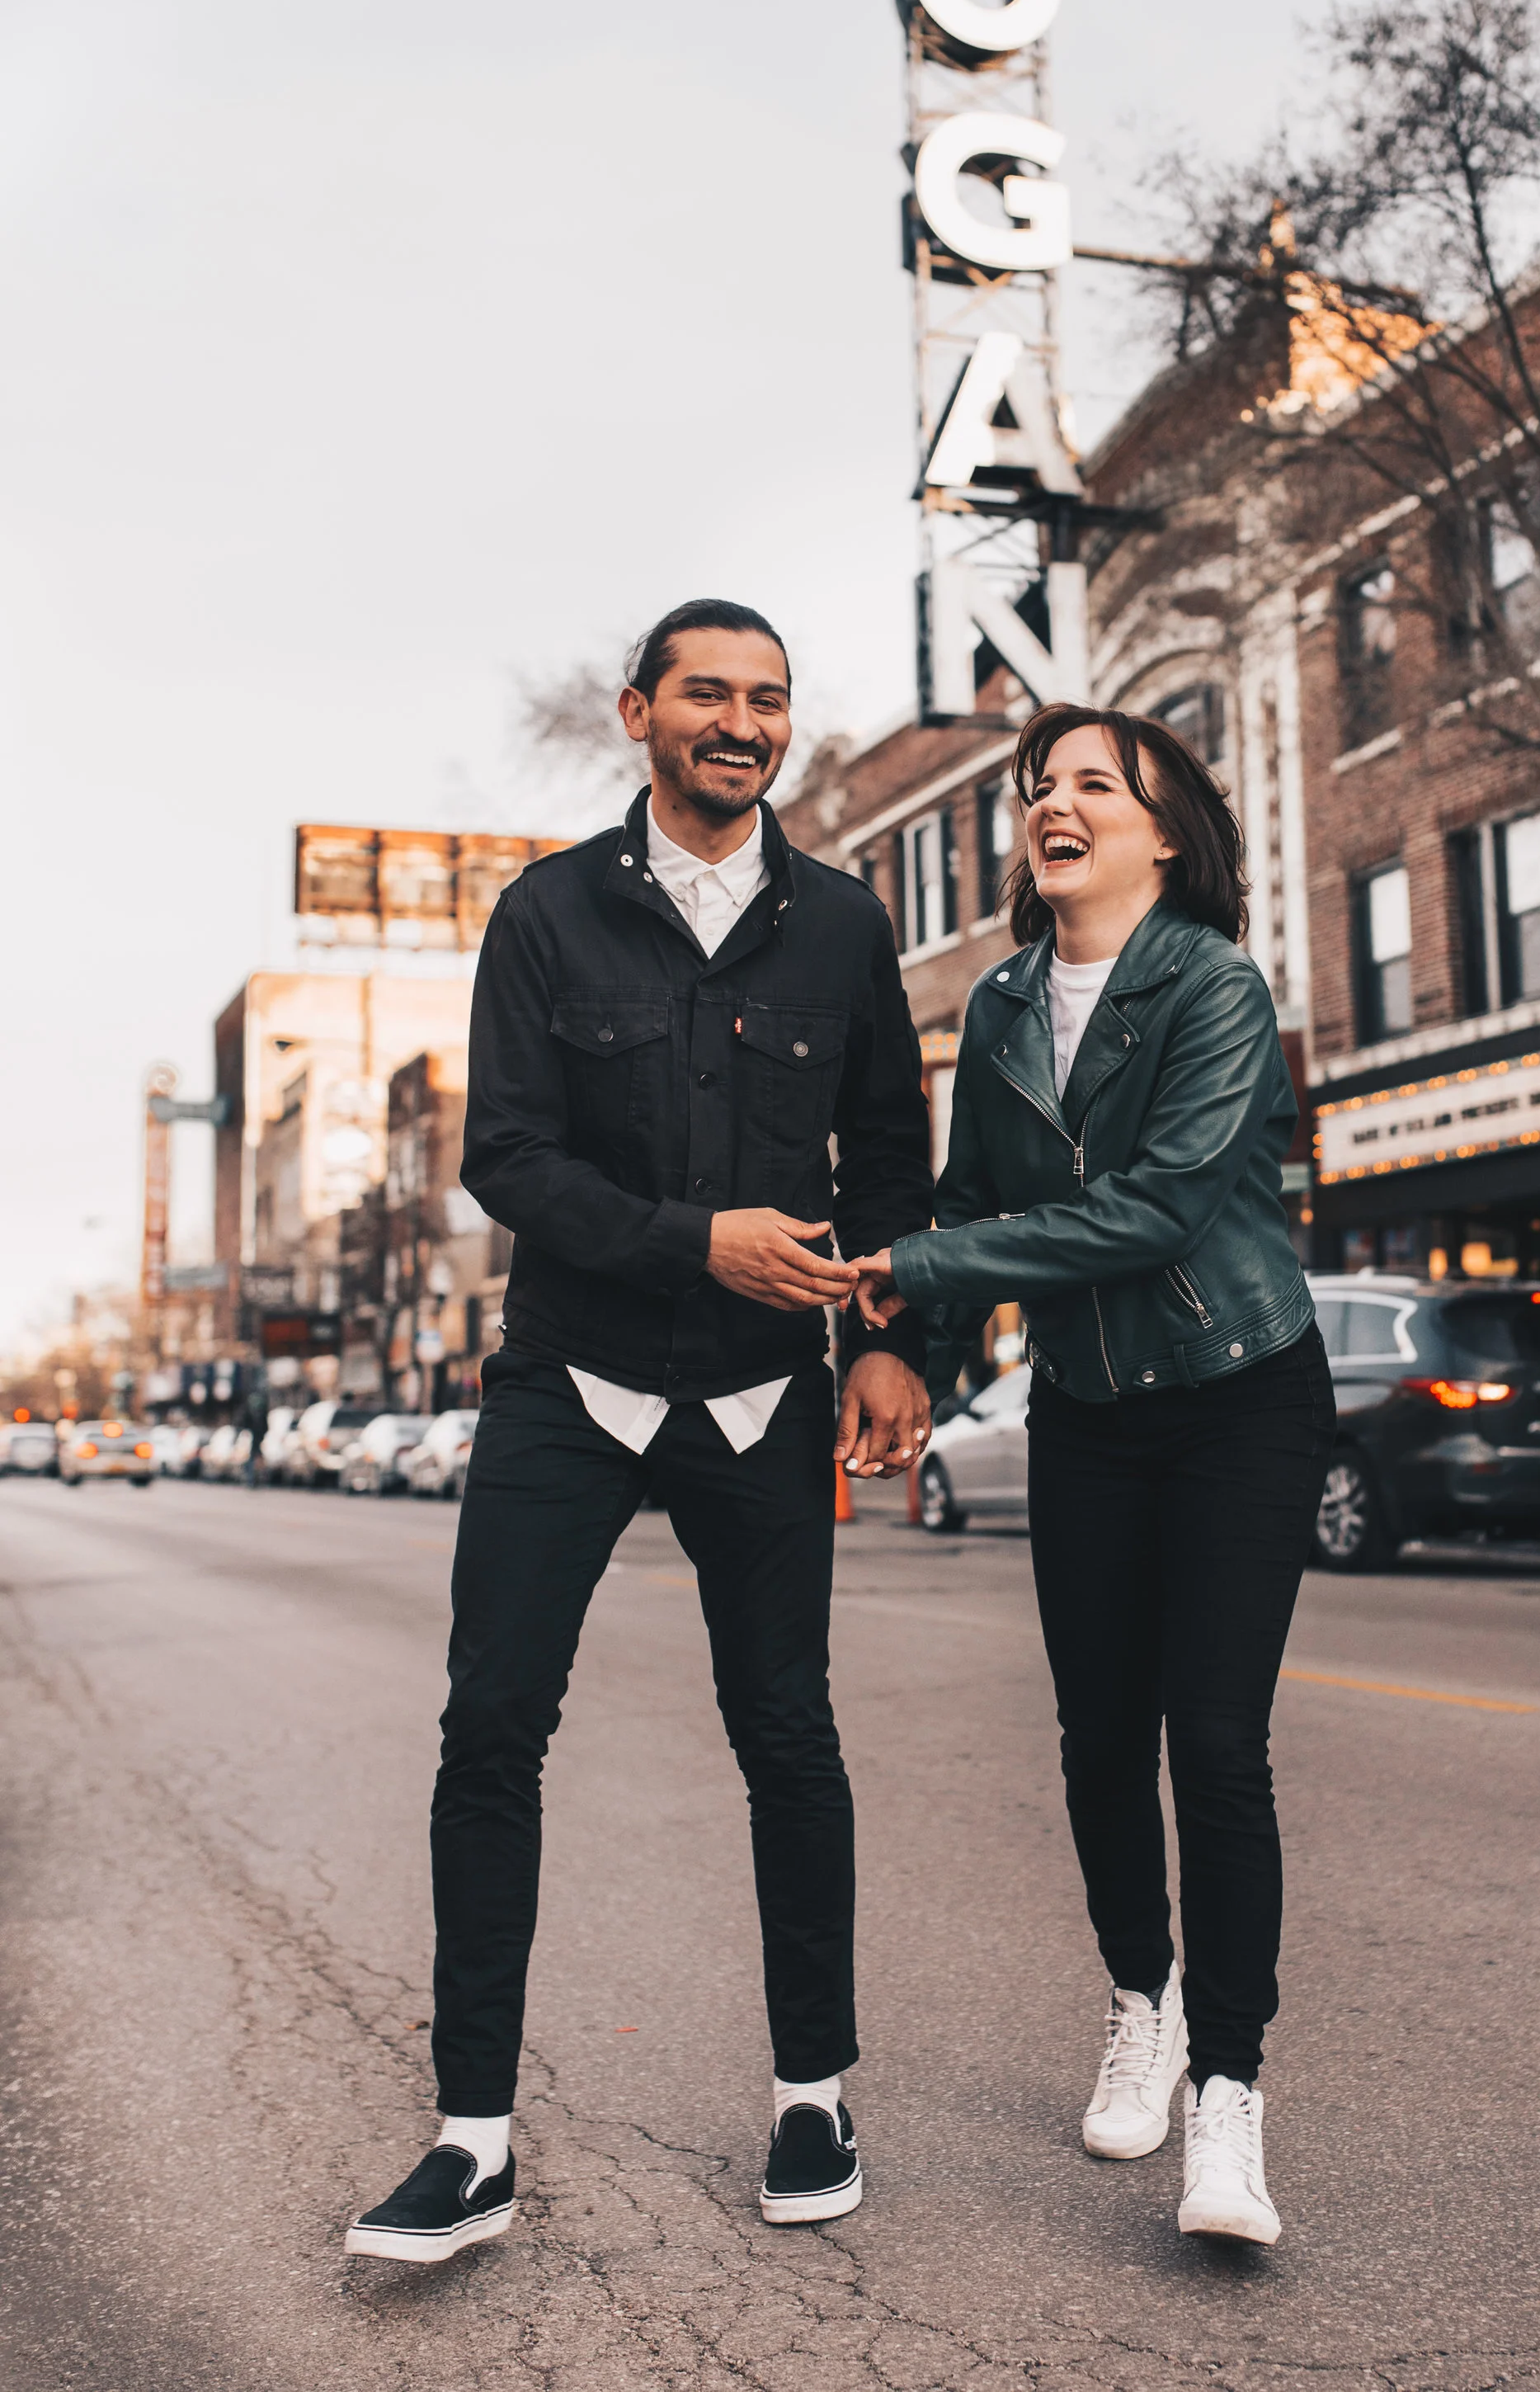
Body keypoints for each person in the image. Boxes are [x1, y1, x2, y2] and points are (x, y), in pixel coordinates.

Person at [346, 599, 934, 2265]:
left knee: (786, 1733)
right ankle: (471, 2140)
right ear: (638, 714)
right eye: (708, 693)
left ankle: (814, 2096)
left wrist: (892, 1341)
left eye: (769, 698)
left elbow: (891, 1156)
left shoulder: (843, 925)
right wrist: (697, 1242)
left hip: (765, 1393)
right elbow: (509, 1159)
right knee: (490, 1728)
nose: (742, 721)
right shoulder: (545, 912)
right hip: (574, 1382)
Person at [851, 703, 1330, 2248]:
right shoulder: (998, 1006)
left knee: (1219, 1744)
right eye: (1037, 787)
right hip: (1088, 1411)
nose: (1052, 804)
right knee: (1100, 1738)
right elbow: (969, 1198)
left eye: (1092, 785)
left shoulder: (1212, 985)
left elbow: (1158, 1210)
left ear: (1164, 832)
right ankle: (1144, 2000)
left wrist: (928, 1265)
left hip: (1240, 1393)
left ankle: (1230, 2104)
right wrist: (906, 1354)